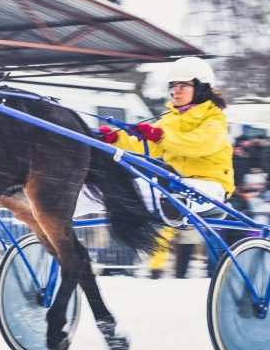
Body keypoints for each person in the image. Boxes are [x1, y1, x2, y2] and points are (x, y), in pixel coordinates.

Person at [95, 56, 234, 278]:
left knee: (173, 190)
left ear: (200, 88)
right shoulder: (169, 120)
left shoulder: (215, 119)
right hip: (171, 182)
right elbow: (143, 142)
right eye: (172, 86)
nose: (175, 91)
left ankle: (173, 207)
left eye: (183, 85)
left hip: (211, 187)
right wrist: (111, 138)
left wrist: (159, 135)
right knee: (118, 188)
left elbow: (199, 144)